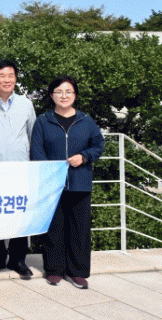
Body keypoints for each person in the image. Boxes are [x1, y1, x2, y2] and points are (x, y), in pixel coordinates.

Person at [31, 75, 104, 289]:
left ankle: (78, 272)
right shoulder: (43, 121)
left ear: (75, 95)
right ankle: (54, 270)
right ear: (51, 95)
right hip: (52, 184)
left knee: (79, 229)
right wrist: (49, 172)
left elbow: (98, 145)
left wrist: (84, 156)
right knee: (54, 228)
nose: (64, 96)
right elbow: (37, 150)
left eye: (68, 92)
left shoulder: (86, 120)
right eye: (59, 92)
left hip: (80, 182)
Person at [0, 59, 36, 278]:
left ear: (16, 79)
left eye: (11, 75)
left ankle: (18, 259)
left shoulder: (26, 104)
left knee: (20, 214)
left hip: (20, 170)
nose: (7, 80)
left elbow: (33, 135)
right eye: (2, 76)